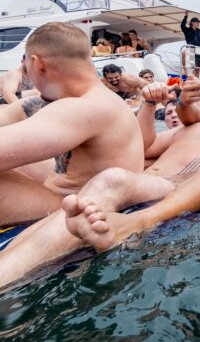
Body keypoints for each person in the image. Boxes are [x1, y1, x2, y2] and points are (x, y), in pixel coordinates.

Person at [0, 78, 200, 288]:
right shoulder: (190, 128)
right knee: (93, 188)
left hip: (176, 188)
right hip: (146, 180)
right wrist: (147, 106)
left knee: (111, 180)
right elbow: (143, 147)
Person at [0, 22, 144, 226]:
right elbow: (14, 113)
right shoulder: (95, 99)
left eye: (26, 69)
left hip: (77, 210)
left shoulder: (82, 109)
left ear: (38, 64)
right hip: (69, 195)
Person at [180, 13, 200, 77]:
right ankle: (185, 69)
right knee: (191, 68)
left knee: (197, 70)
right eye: (197, 22)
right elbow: (182, 25)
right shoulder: (187, 30)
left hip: (199, 51)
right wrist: (186, 16)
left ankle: (196, 83)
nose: (198, 24)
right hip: (191, 50)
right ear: (192, 23)